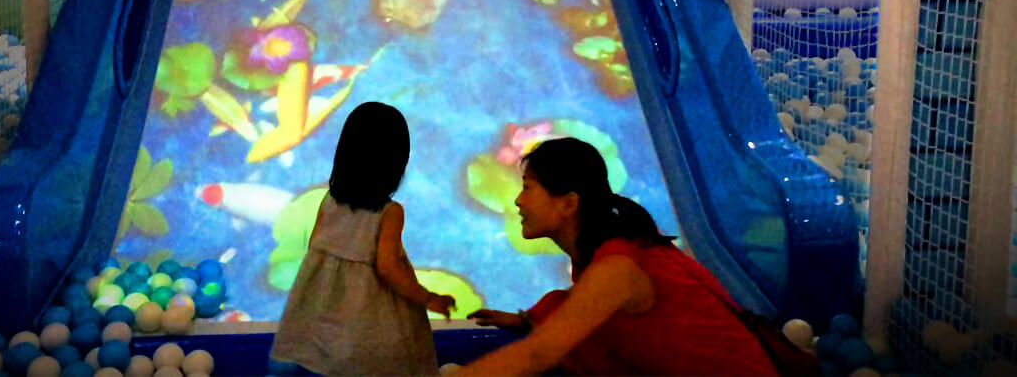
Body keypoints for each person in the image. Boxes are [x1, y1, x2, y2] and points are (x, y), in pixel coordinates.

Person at [461, 137, 778, 376]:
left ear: (569, 204)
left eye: (528, 188)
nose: (518, 201)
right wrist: (529, 318)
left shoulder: (618, 265)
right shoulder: (605, 254)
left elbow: (537, 355)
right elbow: (580, 307)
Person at [268, 101, 457, 376]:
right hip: (368, 323)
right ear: (395, 163)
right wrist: (427, 298)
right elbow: (388, 267)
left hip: (323, 315)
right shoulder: (390, 213)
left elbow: (314, 246)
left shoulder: (330, 200)